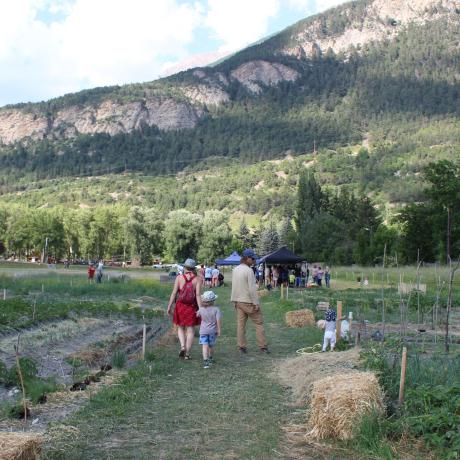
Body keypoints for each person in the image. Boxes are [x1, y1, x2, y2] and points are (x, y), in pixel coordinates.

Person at [231, 249, 269, 354]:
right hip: (248, 301)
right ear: (247, 258)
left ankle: (241, 347)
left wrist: (234, 300)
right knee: (259, 323)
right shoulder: (249, 270)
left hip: (238, 301)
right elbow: (252, 289)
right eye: (252, 258)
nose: (253, 260)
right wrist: (256, 303)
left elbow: (234, 286)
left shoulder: (235, 269)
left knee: (241, 325)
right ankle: (263, 347)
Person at [167, 258, 202, 360]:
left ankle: (182, 346)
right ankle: (187, 353)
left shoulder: (179, 277)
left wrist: (169, 306)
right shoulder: (197, 279)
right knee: (191, 330)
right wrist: (200, 309)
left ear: (185, 267)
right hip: (191, 307)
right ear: (193, 268)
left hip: (180, 306)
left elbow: (174, 293)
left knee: (180, 327)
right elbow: (198, 295)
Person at [197, 291, 222, 369]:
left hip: (203, 331)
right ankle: (210, 358)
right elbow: (218, 321)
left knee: (205, 346)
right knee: (211, 346)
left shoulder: (201, 309)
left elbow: (197, 315)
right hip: (212, 331)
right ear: (213, 301)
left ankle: (206, 362)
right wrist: (219, 330)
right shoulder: (216, 309)